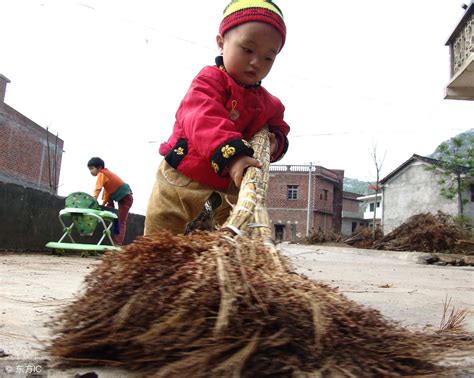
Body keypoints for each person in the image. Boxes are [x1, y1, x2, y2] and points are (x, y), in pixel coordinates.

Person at [145, 0, 290, 235]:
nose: (256, 62)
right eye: (248, 50)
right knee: (163, 228)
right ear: (221, 43)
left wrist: (274, 143)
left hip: (228, 189)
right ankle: (153, 265)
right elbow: (202, 117)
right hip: (183, 176)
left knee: (236, 236)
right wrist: (233, 156)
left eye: (268, 58)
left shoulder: (268, 103)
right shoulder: (209, 80)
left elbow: (279, 128)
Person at [87, 157, 133, 245]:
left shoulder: (102, 173)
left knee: (120, 222)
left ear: (99, 167)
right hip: (122, 196)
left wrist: (92, 201)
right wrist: (104, 204)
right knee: (114, 216)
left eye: (92, 169)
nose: (91, 172)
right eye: (89, 169)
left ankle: (117, 244)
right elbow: (107, 192)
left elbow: (98, 189)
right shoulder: (106, 175)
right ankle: (114, 242)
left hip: (126, 198)